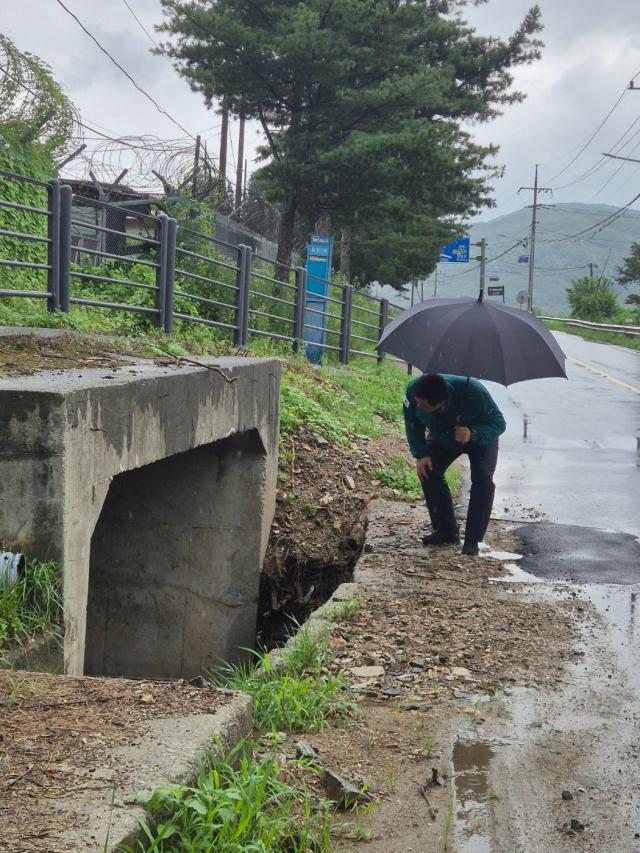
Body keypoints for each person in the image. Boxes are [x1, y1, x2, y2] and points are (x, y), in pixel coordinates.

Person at [403, 373, 506, 556]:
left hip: (479, 438)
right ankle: (446, 530)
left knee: (483, 479)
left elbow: (499, 423)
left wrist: (472, 434)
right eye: (417, 402)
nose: (418, 406)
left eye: (423, 405)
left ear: (440, 402)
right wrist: (421, 454)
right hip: (444, 435)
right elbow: (412, 424)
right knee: (428, 470)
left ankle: (473, 540)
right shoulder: (414, 391)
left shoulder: (474, 392)